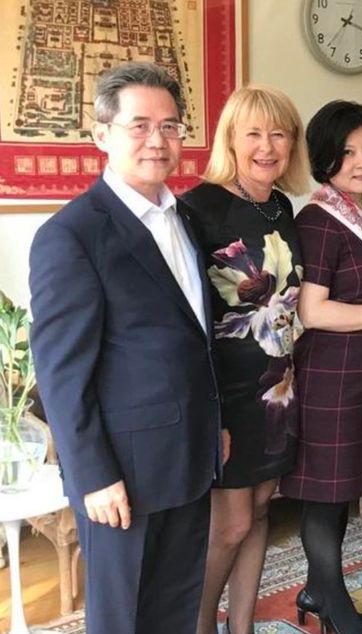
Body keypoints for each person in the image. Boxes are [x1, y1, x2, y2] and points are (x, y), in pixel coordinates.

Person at [29, 62, 221, 634]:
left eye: (170, 126)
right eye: (140, 126)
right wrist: (92, 475)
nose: (157, 141)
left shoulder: (184, 217)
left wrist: (216, 427)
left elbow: (195, 339)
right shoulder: (71, 236)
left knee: (175, 608)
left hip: (188, 457)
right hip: (122, 476)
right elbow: (61, 373)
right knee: (123, 619)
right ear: (102, 134)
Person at [279, 100, 362, 634]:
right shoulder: (320, 219)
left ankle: (315, 590)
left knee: (341, 493)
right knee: (323, 496)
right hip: (331, 378)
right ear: (325, 158)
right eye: (348, 152)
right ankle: (336, 612)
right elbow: (313, 311)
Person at [180, 84, 309, 634]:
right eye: (253, 133)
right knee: (229, 525)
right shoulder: (197, 208)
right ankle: (200, 624)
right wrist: (208, 415)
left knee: (259, 510)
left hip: (278, 385)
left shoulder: (281, 205)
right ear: (230, 139)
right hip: (227, 394)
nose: (266, 145)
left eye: (279, 133)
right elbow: (187, 319)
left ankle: (244, 627)